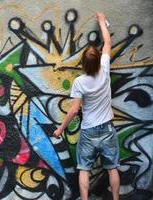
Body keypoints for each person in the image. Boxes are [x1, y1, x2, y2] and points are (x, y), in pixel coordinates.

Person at [53, 12, 120, 200]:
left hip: (89, 131)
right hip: (107, 128)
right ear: (99, 60)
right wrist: (101, 21)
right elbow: (107, 43)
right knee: (112, 168)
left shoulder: (80, 82)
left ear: (83, 63)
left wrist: (60, 129)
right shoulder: (105, 69)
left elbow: (75, 110)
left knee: (84, 169)